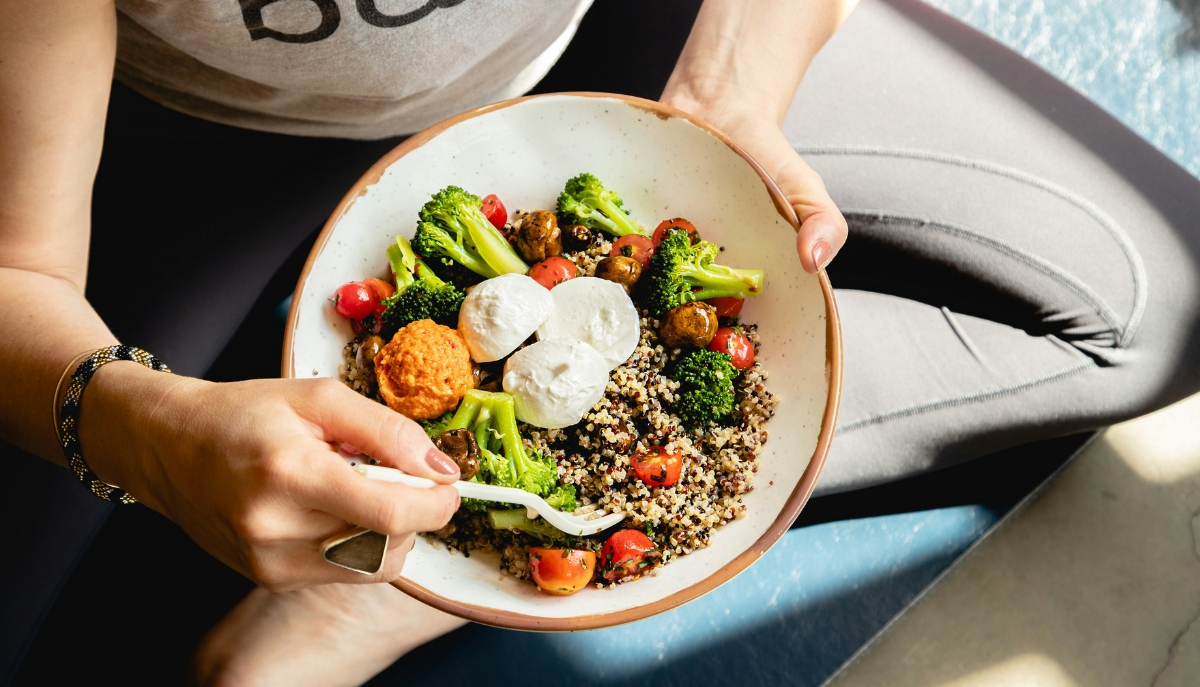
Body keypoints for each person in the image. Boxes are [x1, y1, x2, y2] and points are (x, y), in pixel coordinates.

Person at [4, 0, 1200, 685]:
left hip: (618, 28)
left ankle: (404, 592)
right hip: (205, 135)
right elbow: (20, 277)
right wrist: (147, 433)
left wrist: (735, 85)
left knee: (1147, 307)